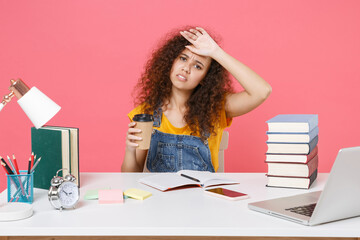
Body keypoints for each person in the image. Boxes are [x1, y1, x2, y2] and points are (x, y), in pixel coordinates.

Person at [122, 27, 271, 172]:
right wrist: (130, 149)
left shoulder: (216, 108)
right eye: (183, 58)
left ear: (205, 78)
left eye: (198, 66)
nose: (186, 68)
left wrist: (215, 52)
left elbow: (262, 91)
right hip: (162, 197)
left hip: (203, 196)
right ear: (171, 62)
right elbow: (130, 178)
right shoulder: (146, 113)